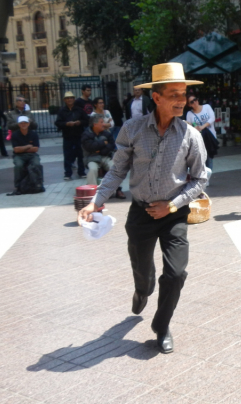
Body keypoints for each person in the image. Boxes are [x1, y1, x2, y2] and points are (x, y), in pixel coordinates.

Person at [79, 62, 207, 354]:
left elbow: (200, 180)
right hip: (140, 213)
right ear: (157, 97)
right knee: (144, 273)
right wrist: (96, 202)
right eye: (173, 93)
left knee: (175, 274)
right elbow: (116, 171)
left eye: (184, 94)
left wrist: (172, 205)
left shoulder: (191, 135)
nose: (181, 100)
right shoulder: (133, 129)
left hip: (173, 215)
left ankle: (161, 327)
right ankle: (142, 291)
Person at [81, 113, 126, 199]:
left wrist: (99, 150)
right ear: (95, 124)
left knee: (115, 167)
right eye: (101, 122)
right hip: (92, 158)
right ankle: (93, 191)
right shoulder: (86, 134)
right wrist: (103, 143)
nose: (104, 124)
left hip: (105, 156)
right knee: (92, 169)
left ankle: (117, 189)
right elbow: (90, 147)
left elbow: (111, 145)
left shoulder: (106, 133)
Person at [55, 91, 89, 181]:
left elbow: (86, 120)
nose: (69, 100)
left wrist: (80, 122)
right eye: (67, 98)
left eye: (71, 98)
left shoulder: (79, 110)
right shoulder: (62, 111)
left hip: (79, 135)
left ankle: (81, 172)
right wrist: (66, 124)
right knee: (68, 155)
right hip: (68, 136)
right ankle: (68, 173)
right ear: (65, 100)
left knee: (80, 154)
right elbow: (58, 122)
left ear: (74, 99)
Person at [8, 116, 44, 195]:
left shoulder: (33, 134)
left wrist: (22, 148)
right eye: (21, 123)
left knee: (37, 164)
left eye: (25, 123)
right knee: (18, 165)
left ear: (28, 124)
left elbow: (35, 149)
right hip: (19, 156)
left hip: (32, 155)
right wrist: (28, 146)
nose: (23, 124)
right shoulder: (15, 135)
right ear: (19, 124)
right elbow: (16, 150)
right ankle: (17, 186)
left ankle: (39, 183)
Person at [185, 94, 216, 170]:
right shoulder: (190, 114)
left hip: (209, 137)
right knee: (200, 159)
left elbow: (212, 118)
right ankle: (203, 178)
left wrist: (202, 127)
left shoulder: (207, 107)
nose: (195, 102)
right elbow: (189, 126)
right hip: (198, 139)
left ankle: (207, 178)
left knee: (209, 158)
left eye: (195, 99)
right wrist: (192, 126)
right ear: (189, 105)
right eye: (192, 102)